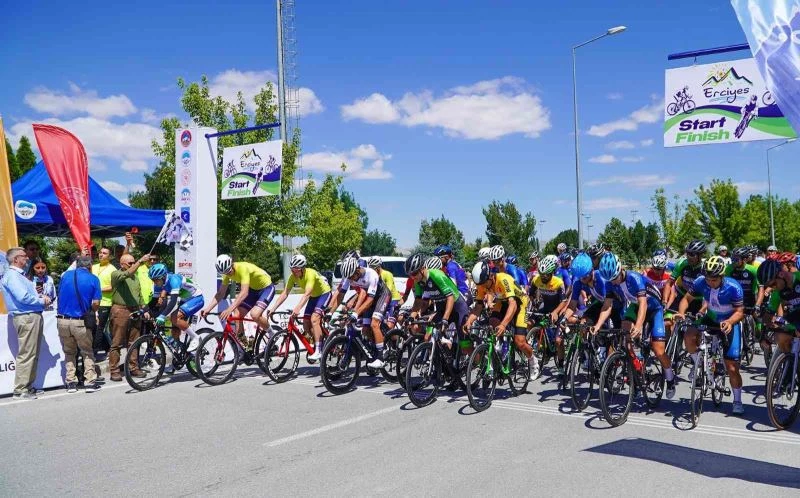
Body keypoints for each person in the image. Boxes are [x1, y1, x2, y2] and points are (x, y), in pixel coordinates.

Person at [596, 252, 674, 399]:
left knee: (658, 350)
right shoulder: (609, 281)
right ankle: (636, 372)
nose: (613, 283)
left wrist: (638, 326)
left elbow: (643, 304)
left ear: (620, 269)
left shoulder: (634, 278)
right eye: (610, 280)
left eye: (614, 278)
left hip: (654, 308)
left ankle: (670, 378)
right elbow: (607, 306)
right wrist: (598, 325)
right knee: (624, 335)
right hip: (635, 306)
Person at [675, 256, 746, 415]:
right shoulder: (700, 282)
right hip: (711, 317)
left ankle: (737, 400)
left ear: (722, 276)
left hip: (729, 321)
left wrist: (730, 321)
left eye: (714, 280)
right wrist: (681, 312)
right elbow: (686, 299)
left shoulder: (733, 287)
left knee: (732, 367)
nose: (710, 282)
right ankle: (698, 364)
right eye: (707, 279)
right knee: (689, 334)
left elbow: (740, 312)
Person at [465, 260, 539, 378]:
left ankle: (532, 360)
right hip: (502, 301)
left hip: (520, 303)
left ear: (490, 276)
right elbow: (478, 307)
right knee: (492, 321)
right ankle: (500, 346)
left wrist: (503, 324)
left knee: (519, 341)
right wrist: (469, 321)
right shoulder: (481, 283)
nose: (482, 286)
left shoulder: (504, 279)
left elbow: (513, 304)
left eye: (484, 283)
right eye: (480, 284)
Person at [0, 247, 51, 399]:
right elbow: (23, 297)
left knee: (31, 353)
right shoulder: (13, 276)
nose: (27, 258)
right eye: (24, 256)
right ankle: (21, 389)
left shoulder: (17, 275)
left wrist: (40, 298)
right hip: (26, 316)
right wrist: (41, 300)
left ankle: (27, 387)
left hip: (29, 315)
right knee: (28, 353)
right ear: (16, 259)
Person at [327, 257, 390, 369]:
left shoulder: (372, 274)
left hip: (381, 296)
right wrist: (330, 312)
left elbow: (370, 300)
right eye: (349, 278)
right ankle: (376, 347)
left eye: (352, 276)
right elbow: (340, 295)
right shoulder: (349, 276)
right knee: (365, 330)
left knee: (374, 324)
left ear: (357, 270)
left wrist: (356, 313)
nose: (351, 280)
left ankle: (381, 357)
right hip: (368, 297)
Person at [268, 254, 331, 361]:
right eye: (292, 269)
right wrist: (273, 308)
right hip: (313, 297)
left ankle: (319, 350)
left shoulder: (310, 274)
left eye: (296, 269)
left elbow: (307, 293)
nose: (293, 272)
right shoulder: (293, 277)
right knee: (306, 324)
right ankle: (320, 341)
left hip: (324, 294)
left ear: (302, 268)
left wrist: (298, 308)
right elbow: (285, 293)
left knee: (314, 319)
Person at [56, 255, 102, 393]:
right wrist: (91, 311)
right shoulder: (93, 278)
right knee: (87, 352)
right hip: (80, 321)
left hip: (62, 321)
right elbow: (96, 303)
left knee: (69, 352)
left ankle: (71, 382)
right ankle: (90, 382)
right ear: (90, 265)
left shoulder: (65, 276)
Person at [201, 254, 275, 332]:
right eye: (225, 273)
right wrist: (208, 309)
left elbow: (244, 293)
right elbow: (220, 293)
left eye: (229, 271)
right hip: (253, 290)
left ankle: (272, 334)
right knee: (237, 315)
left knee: (255, 315)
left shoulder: (242, 268)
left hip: (266, 288)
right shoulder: (226, 274)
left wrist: (229, 309)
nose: (228, 274)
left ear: (231, 264)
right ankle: (241, 339)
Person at [108, 253, 151, 382]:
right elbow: (126, 274)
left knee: (134, 341)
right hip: (120, 310)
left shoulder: (135, 278)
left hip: (135, 310)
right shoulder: (116, 274)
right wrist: (140, 261)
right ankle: (114, 370)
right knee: (117, 342)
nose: (133, 265)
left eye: (134, 262)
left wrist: (144, 309)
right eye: (130, 263)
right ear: (122, 264)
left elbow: (139, 295)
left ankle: (134, 368)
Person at [147, 263, 204, 354]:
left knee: (175, 318)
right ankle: (180, 350)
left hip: (196, 298)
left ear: (163, 277)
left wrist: (162, 316)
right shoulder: (157, 284)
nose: (155, 282)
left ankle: (195, 337)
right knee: (174, 330)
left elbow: (173, 301)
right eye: (153, 280)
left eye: (156, 280)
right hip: (185, 300)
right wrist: (142, 311)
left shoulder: (174, 279)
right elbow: (154, 301)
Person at [91, 246, 116, 357]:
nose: (101, 254)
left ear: (110, 256)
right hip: (92, 302)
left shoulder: (113, 269)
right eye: (100, 252)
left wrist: (98, 289)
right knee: (92, 326)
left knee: (99, 327)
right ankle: (107, 347)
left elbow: (113, 287)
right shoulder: (93, 267)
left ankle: (94, 352)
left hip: (105, 303)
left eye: (104, 253)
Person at [366, 256, 402, 328]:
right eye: (370, 267)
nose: (372, 270)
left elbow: (388, 290)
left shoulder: (387, 274)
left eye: (373, 268)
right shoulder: (372, 275)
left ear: (379, 267)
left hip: (393, 300)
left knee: (389, 326)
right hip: (382, 299)